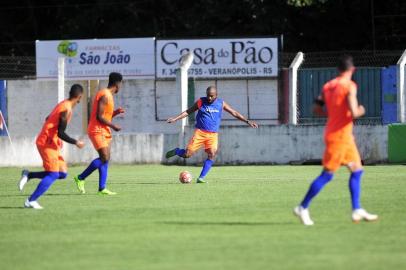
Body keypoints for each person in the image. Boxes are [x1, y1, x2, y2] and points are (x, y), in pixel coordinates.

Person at [294, 55, 378, 225]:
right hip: (339, 136)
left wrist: (333, 115)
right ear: (352, 70)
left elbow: (316, 109)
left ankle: (357, 209)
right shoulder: (349, 86)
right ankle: (302, 207)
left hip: (341, 134)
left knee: (357, 170)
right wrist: (362, 109)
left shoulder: (328, 86)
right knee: (327, 175)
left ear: (338, 70)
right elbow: (354, 112)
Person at [165, 85, 258, 183]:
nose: (209, 98)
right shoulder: (201, 101)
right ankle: (176, 151)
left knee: (212, 154)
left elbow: (234, 113)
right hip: (200, 133)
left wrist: (247, 121)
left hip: (213, 135)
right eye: (208, 95)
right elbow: (188, 112)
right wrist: (175, 119)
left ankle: (201, 178)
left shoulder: (221, 103)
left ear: (216, 95)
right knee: (187, 154)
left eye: (212, 96)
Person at [19, 84, 85, 209]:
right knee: (53, 174)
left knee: (62, 173)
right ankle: (31, 201)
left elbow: (48, 118)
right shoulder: (66, 110)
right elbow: (61, 133)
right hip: (46, 142)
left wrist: (53, 133)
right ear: (79, 97)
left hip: (52, 142)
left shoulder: (63, 104)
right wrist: (76, 142)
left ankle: (29, 175)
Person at [73, 72, 124, 195]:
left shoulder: (109, 96)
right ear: (117, 83)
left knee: (105, 159)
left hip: (104, 129)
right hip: (97, 129)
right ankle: (80, 178)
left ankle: (102, 188)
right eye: (121, 83)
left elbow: (106, 116)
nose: (121, 86)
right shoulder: (105, 95)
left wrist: (115, 113)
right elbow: (99, 117)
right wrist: (114, 126)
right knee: (104, 157)